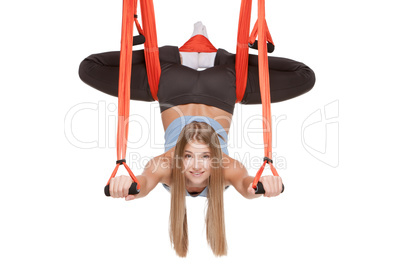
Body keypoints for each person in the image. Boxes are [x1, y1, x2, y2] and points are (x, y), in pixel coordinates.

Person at [79, 22, 314, 257]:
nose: (197, 165)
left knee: (89, 69)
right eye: (204, 156)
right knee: (305, 77)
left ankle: (182, 55)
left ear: (179, 155)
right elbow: (247, 185)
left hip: (171, 81)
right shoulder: (226, 169)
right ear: (216, 157)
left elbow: (143, 183)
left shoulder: (166, 166)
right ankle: (221, 58)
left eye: (189, 156)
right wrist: (264, 188)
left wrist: (128, 188)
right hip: (223, 84)